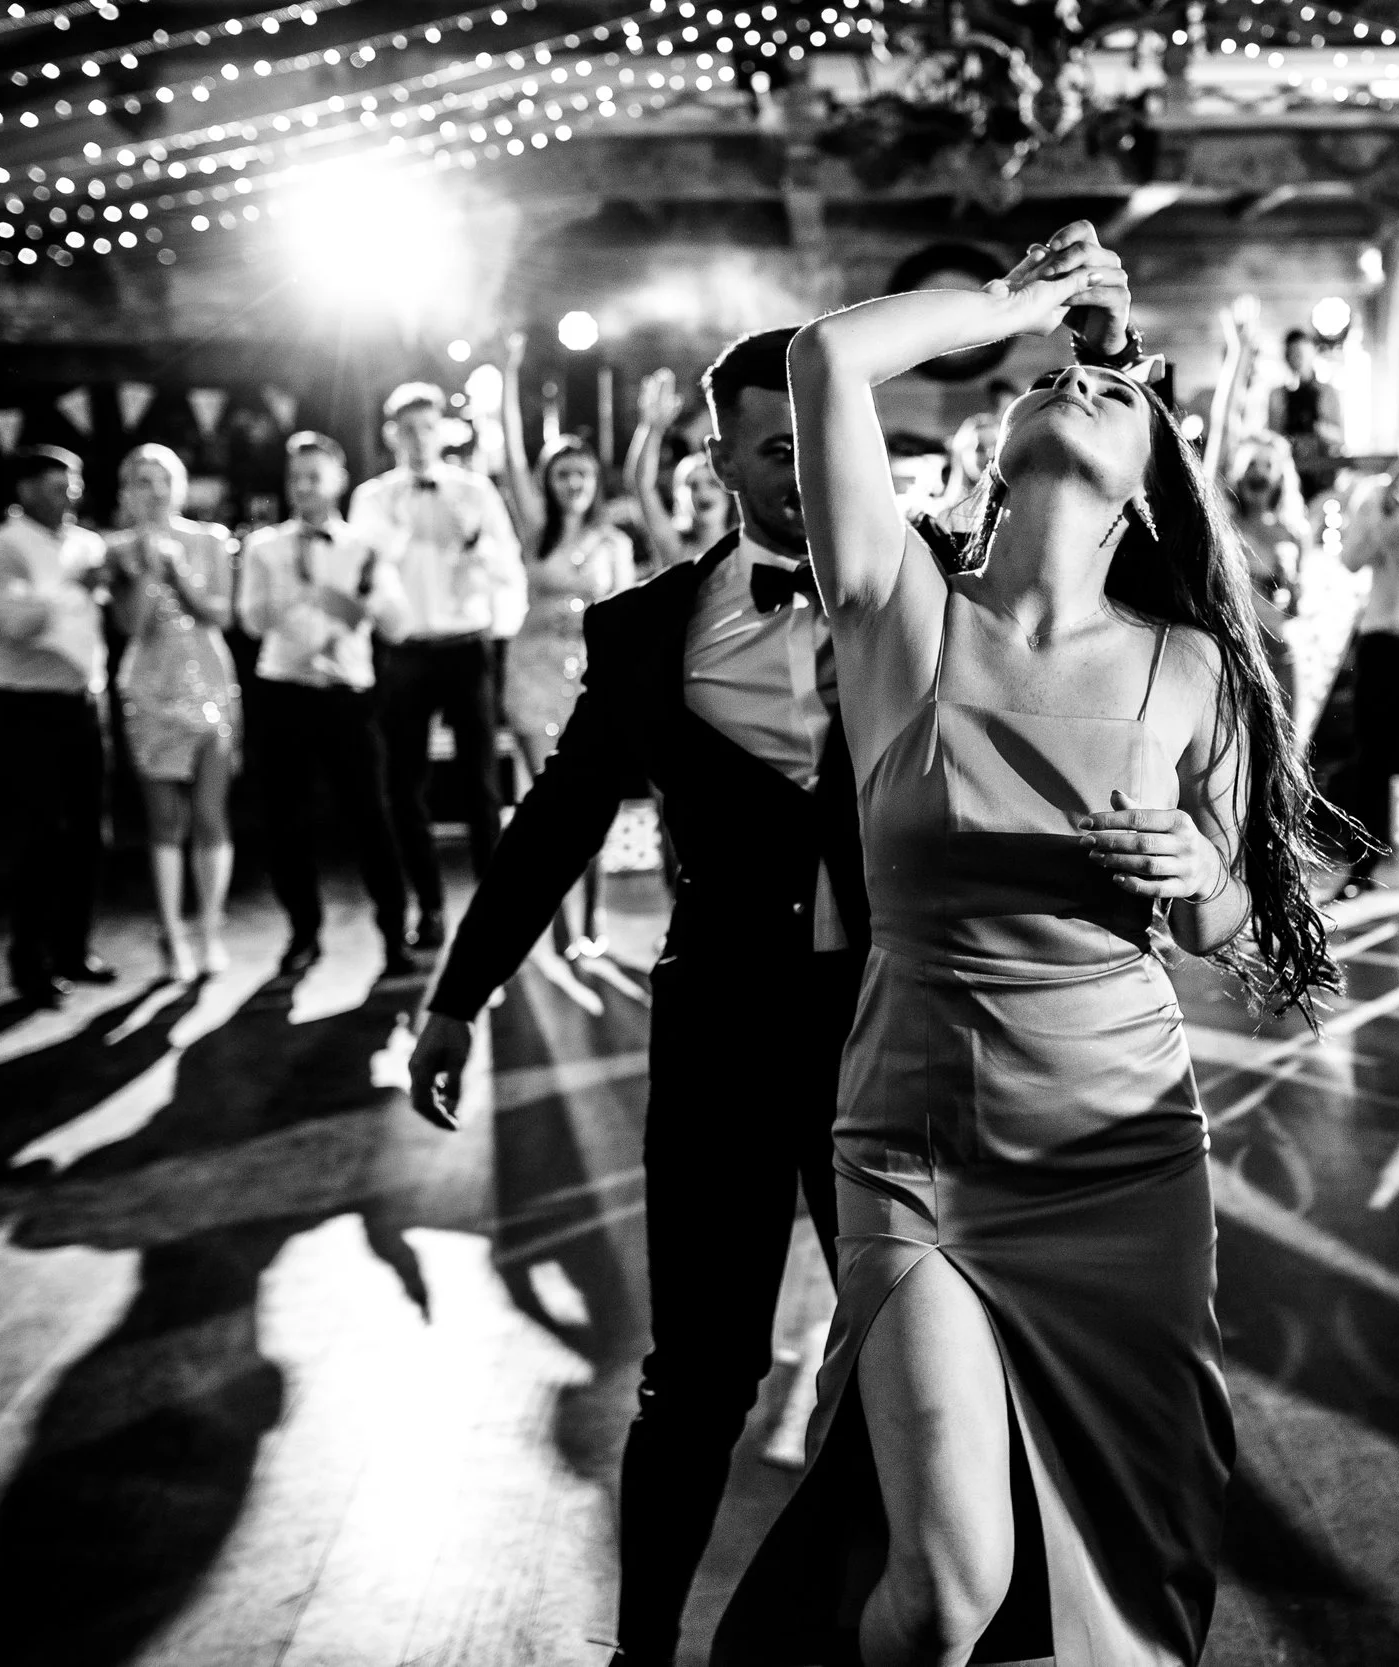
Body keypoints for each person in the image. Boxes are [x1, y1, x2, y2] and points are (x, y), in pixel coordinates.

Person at [714, 223, 1336, 1667]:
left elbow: (1259, 941)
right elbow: (827, 357)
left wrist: (1198, 875)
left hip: (1117, 1156)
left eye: (1121, 394)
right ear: (993, 450)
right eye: (1061, 378)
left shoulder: (1191, 668)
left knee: (1122, 1606)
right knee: (944, 1593)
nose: (1089, 384)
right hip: (914, 1146)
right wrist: (1017, 302)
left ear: (1143, 499)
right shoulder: (899, 609)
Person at [408, 324, 870, 1667]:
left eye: (821, 440)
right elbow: (553, 822)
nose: (802, 470)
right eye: (774, 447)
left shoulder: (941, 590)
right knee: (701, 1374)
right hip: (723, 1028)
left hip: (891, 1033)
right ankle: (644, 1647)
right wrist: (458, 994)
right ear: (718, 458)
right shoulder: (646, 628)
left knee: (912, 1354)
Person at [350, 382, 527, 952]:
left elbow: (507, 568)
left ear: (442, 433)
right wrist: (406, 522)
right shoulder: (373, 498)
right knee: (404, 786)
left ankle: (497, 908)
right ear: (390, 436)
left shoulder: (475, 491)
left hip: (466, 643)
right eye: (407, 430)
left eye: (428, 428)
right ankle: (428, 907)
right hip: (405, 652)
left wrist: (472, 537)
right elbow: (369, 571)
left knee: (480, 784)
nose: (419, 440)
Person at [238, 431, 418, 978]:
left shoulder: (363, 550)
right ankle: (303, 933)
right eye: (296, 478)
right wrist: (293, 592)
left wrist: (355, 599)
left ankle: (394, 935)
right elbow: (249, 622)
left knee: (371, 818)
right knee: (286, 820)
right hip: (284, 694)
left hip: (348, 698)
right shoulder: (263, 547)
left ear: (338, 481)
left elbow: (399, 625)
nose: (304, 488)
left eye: (315, 476)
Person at [499, 362, 644, 958]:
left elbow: (628, 620)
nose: (573, 482)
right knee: (549, 809)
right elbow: (509, 457)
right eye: (562, 473)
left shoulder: (614, 544)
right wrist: (508, 376)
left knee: (591, 807)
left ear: (595, 479)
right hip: (534, 674)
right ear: (549, 481)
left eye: (582, 472)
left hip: (591, 680)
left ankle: (591, 919)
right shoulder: (536, 532)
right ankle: (551, 923)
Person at [0, 446, 114, 1008]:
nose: (71, 495)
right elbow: (8, 623)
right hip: (27, 706)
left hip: (85, 702)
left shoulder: (87, 543)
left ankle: (74, 949)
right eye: (57, 486)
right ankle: (30, 963)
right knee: (39, 835)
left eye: (74, 485)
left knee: (88, 833)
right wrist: (73, 586)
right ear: (25, 490)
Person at [103, 443, 241, 983]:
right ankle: (172, 934)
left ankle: (210, 928)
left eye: (163, 478)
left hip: (209, 681)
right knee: (165, 821)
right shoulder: (114, 551)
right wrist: (142, 567)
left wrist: (180, 574)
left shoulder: (209, 540)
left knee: (211, 815)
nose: (154, 489)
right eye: (141, 480)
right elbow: (130, 626)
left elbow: (220, 615)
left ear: (179, 486)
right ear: (126, 492)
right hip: (150, 691)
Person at [1319, 463, 1399, 894]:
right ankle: (1364, 863)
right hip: (1380, 635)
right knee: (1371, 753)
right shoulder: (1374, 494)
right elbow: (1351, 558)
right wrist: (1382, 514)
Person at [1208, 303, 1311, 703]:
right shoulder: (1226, 520)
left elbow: (1298, 609)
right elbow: (1222, 426)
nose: (1259, 473)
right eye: (1252, 464)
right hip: (1232, 656)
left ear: (1280, 479)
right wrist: (1238, 353)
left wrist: (1292, 587)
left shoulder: (1292, 532)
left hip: (1281, 656)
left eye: (1269, 467)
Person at [622, 366, 730, 569]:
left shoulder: (746, 544)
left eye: (712, 483)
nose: (702, 492)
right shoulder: (675, 546)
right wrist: (651, 428)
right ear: (678, 495)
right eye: (692, 485)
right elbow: (642, 486)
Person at [1268, 325, 1346, 500]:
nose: (1298, 360)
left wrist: (1316, 428)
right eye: (1293, 355)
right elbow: (1272, 437)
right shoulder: (1277, 396)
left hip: (1322, 476)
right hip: (1289, 474)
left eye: (1301, 354)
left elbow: (1339, 437)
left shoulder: (1327, 393)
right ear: (1286, 357)